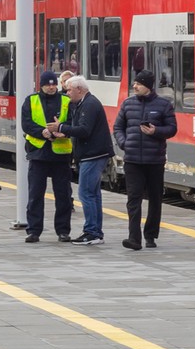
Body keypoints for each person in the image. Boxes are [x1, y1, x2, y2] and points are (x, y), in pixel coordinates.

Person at [112, 68, 177, 250]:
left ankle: (150, 235)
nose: (135, 86)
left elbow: (172, 129)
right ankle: (134, 238)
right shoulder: (127, 104)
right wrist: (125, 143)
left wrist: (156, 131)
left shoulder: (163, 105)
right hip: (132, 160)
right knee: (133, 199)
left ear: (147, 86)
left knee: (155, 199)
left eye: (138, 84)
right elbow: (117, 127)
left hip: (155, 160)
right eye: (134, 83)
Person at [55, 76, 114, 246]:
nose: (67, 93)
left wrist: (61, 128)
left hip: (93, 154)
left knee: (86, 193)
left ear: (79, 89)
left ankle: (92, 232)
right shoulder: (83, 104)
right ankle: (95, 231)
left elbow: (84, 130)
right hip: (92, 154)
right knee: (93, 194)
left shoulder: (89, 105)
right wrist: (66, 132)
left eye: (69, 90)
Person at [21, 70, 74, 243]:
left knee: (63, 195)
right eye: (47, 84)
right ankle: (34, 230)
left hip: (61, 154)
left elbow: (73, 123)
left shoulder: (67, 101)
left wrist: (61, 130)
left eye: (53, 84)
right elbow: (26, 123)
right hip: (38, 153)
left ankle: (63, 231)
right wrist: (42, 132)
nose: (51, 87)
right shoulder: (31, 100)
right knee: (35, 194)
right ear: (41, 85)